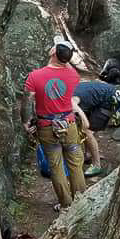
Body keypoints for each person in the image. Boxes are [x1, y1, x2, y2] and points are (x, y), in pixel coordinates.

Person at [21, 38, 86, 209]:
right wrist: (66, 58)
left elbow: (27, 102)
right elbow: (67, 66)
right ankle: (80, 205)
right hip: (68, 125)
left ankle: (66, 204)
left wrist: (26, 122)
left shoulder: (35, 76)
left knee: (56, 167)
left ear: (53, 52)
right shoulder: (73, 75)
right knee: (75, 164)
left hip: (47, 127)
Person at [74, 80, 120, 177]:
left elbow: (85, 124)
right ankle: (88, 154)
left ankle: (96, 165)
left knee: (87, 131)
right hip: (103, 96)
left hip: (110, 101)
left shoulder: (72, 101)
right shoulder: (68, 92)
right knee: (83, 128)